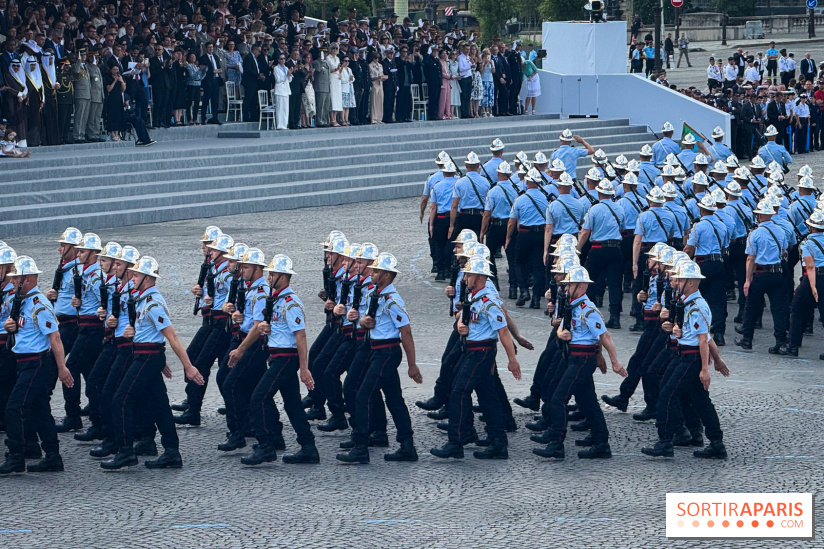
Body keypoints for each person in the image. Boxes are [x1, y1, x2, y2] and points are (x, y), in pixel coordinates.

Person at [101, 256, 205, 470]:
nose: (132, 278)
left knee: (121, 400)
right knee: (159, 406)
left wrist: (188, 366)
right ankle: (171, 451)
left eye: (136, 275)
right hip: (147, 356)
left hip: (147, 357)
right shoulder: (142, 300)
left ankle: (125, 451)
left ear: (147, 279)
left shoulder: (153, 304)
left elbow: (172, 337)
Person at [229, 254, 319, 465]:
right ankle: (308, 447)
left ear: (283, 276)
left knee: (258, 397)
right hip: (278, 356)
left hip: (286, 358)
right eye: (269, 274)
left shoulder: (290, 302)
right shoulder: (276, 299)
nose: (269, 278)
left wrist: (304, 368)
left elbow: (301, 336)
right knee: (292, 405)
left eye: (273, 274)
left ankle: (266, 445)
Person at [430, 256, 521, 460]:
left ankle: (457, 440)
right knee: (487, 395)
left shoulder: (488, 302)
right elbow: (465, 316)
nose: (465, 278)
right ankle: (497, 441)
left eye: (469, 275)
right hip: (472, 349)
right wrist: (461, 324)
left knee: (458, 392)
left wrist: (512, 359)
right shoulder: (474, 296)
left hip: (480, 352)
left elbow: (503, 331)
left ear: (479, 276)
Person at [532, 266, 627, 460]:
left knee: (560, 397)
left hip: (582, 358)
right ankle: (601, 441)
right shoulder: (571, 305)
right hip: (572, 356)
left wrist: (614, 361)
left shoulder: (587, 309)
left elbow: (604, 336)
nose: (565, 289)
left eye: (570, 285)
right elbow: (560, 325)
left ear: (582, 286)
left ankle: (557, 444)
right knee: (587, 400)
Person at [336, 252, 423, 464]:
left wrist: (412, 365)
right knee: (394, 399)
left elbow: (406, 332)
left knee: (363, 395)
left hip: (386, 352)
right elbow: (368, 319)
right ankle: (407, 445)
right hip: (376, 349)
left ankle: (360, 447)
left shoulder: (392, 299)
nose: (371, 273)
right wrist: (363, 322)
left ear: (385, 274)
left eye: (375, 271)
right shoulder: (376, 293)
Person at [641, 260, 729, 459]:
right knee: (700, 400)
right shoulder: (686, 303)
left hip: (690, 357)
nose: (675, 283)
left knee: (667, 394)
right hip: (685, 354)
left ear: (690, 282)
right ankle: (716, 442)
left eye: (679, 279)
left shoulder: (697, 306)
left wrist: (705, 369)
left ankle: (665, 441)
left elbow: (703, 340)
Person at [0, 256, 75, 475]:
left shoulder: (39, 304)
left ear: (29, 279)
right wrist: (10, 326)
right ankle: (52, 456)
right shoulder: (20, 302)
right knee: (40, 409)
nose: (12, 283)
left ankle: (17, 456)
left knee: (15, 407)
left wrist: (62, 367)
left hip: (36, 363)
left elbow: (55, 338)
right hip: (25, 362)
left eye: (16, 279)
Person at [734, 199, 789, 352]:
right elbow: (784, 250)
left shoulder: (755, 234)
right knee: (778, 309)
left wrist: (747, 280)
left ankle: (747, 339)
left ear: (758, 216)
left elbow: (750, 258)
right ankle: (781, 341)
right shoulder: (780, 231)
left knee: (751, 306)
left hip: (760, 273)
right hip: (777, 272)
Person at [578, 179, 625, 328]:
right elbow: (622, 228)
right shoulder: (619, 208)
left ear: (599, 193)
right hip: (616, 248)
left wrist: (578, 249)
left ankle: (590, 313)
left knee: (589, 280)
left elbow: (586, 231)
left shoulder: (594, 209)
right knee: (615, 284)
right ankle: (615, 317)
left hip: (598, 248)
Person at [507, 168, 547, 309]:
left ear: (528, 182)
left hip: (524, 233)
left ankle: (523, 290)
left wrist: (508, 238)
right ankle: (536, 298)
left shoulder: (520, 199)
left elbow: (512, 221)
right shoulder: (545, 198)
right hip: (540, 233)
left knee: (519, 263)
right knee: (538, 266)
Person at [198, 42, 223, 125]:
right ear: (206, 48)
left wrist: (219, 70)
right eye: (209, 47)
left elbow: (218, 66)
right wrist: (212, 71)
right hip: (208, 81)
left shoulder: (215, 57)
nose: (211, 49)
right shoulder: (203, 58)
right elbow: (203, 70)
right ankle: (203, 117)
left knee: (215, 99)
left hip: (216, 80)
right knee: (206, 99)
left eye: (212, 47)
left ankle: (215, 117)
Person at [103, 64, 126, 140]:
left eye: (117, 69)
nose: (116, 71)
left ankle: (117, 132)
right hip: (111, 98)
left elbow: (123, 89)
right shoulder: (108, 78)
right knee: (112, 115)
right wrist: (115, 80)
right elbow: (108, 89)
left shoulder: (120, 77)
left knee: (118, 115)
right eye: (114, 69)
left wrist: (121, 81)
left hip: (118, 98)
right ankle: (112, 133)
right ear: (111, 70)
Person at [273, 52, 292, 130]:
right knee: (280, 108)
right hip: (280, 90)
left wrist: (290, 75)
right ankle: (280, 125)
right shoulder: (276, 68)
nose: (283, 60)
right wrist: (286, 76)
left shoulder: (286, 68)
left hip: (286, 90)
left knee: (285, 109)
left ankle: (285, 124)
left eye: (284, 58)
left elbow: (289, 80)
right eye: (281, 59)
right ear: (278, 60)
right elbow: (278, 79)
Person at [326, 43, 342, 126]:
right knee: (332, 98)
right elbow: (330, 69)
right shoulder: (328, 58)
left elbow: (339, 69)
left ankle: (335, 117)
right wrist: (336, 69)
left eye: (336, 48)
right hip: (331, 78)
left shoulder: (338, 58)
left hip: (337, 78)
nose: (335, 50)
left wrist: (339, 73)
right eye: (333, 48)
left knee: (337, 99)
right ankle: (332, 119)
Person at [313, 53, 331, 127]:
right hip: (320, 87)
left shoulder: (326, 62)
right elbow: (318, 69)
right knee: (320, 105)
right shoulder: (316, 62)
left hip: (327, 87)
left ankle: (324, 120)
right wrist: (321, 61)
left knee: (326, 105)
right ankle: (319, 120)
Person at [381, 46, 398, 123]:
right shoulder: (384, 62)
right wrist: (389, 70)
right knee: (387, 101)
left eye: (392, 53)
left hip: (393, 84)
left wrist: (396, 84)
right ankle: (386, 117)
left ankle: (390, 116)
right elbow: (385, 71)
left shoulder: (393, 61)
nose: (391, 55)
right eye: (390, 53)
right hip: (387, 85)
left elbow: (395, 74)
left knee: (392, 102)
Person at [368, 51, 384, 124]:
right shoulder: (370, 65)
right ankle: (374, 118)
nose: (376, 59)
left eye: (378, 58)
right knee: (374, 102)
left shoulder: (380, 65)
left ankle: (379, 118)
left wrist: (383, 77)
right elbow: (371, 77)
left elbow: (382, 74)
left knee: (380, 101)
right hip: (374, 83)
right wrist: (378, 77)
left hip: (380, 83)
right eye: (375, 58)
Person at [340, 55, 355, 125]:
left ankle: (346, 119)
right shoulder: (341, 69)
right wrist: (348, 79)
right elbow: (341, 79)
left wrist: (351, 79)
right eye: (345, 61)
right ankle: (342, 119)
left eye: (348, 61)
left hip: (349, 88)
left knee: (348, 105)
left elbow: (352, 77)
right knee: (343, 105)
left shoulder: (349, 69)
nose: (347, 62)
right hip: (343, 88)